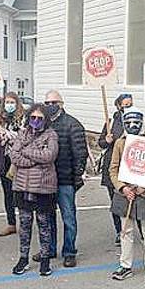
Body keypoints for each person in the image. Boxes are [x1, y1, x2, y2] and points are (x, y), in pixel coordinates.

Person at [109, 107, 145, 285]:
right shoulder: (120, 143)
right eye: (128, 123)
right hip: (125, 194)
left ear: (142, 123)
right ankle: (125, 265)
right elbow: (113, 169)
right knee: (125, 231)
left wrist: (144, 187)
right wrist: (122, 188)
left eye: (136, 122)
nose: (132, 126)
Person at [9, 104, 59, 276]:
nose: (36, 121)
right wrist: (34, 160)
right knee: (24, 224)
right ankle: (23, 258)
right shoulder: (22, 134)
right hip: (22, 186)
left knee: (44, 224)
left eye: (40, 118)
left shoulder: (51, 135)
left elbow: (50, 156)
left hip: (43, 187)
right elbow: (14, 156)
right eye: (33, 117)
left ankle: (45, 260)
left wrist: (26, 152)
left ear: (45, 119)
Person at [40, 90, 88, 268]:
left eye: (53, 102)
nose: (50, 106)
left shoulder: (72, 124)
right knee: (47, 217)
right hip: (46, 180)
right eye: (47, 103)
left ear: (61, 104)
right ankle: (50, 249)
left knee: (68, 217)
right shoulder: (42, 124)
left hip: (66, 179)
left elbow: (80, 153)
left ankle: (69, 251)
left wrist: (77, 176)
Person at [97, 93, 132, 245]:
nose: (128, 108)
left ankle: (136, 228)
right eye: (126, 105)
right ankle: (120, 230)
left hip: (131, 166)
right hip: (113, 167)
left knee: (134, 198)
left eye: (130, 104)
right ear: (118, 106)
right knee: (116, 201)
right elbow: (100, 143)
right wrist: (107, 140)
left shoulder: (135, 121)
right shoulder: (110, 123)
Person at [0, 92, 25, 237]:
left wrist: (10, 136)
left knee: (20, 191)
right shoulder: (0, 119)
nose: (9, 105)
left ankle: (25, 222)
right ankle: (11, 223)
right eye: (7, 102)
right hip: (4, 159)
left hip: (19, 159)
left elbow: (24, 136)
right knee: (7, 193)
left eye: (12, 102)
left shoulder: (23, 118)